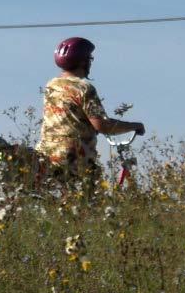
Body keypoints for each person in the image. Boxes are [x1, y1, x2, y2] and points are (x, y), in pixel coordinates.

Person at [36, 37, 145, 185]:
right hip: (74, 160)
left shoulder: (52, 85)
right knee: (91, 201)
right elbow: (102, 125)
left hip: (47, 157)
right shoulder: (84, 88)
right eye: (90, 58)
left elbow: (68, 117)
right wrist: (134, 126)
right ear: (83, 61)